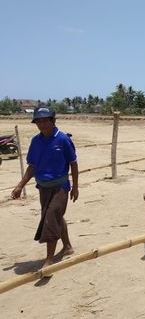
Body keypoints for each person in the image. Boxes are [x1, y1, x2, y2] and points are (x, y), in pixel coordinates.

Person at [11, 106, 78, 269]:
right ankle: (68, 247)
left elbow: (73, 164)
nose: (42, 125)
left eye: (45, 121)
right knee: (56, 218)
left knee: (51, 219)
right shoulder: (36, 141)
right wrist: (20, 185)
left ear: (53, 121)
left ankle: (49, 260)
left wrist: (75, 187)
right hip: (43, 188)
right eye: (38, 121)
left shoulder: (63, 140)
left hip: (60, 187)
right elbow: (32, 167)